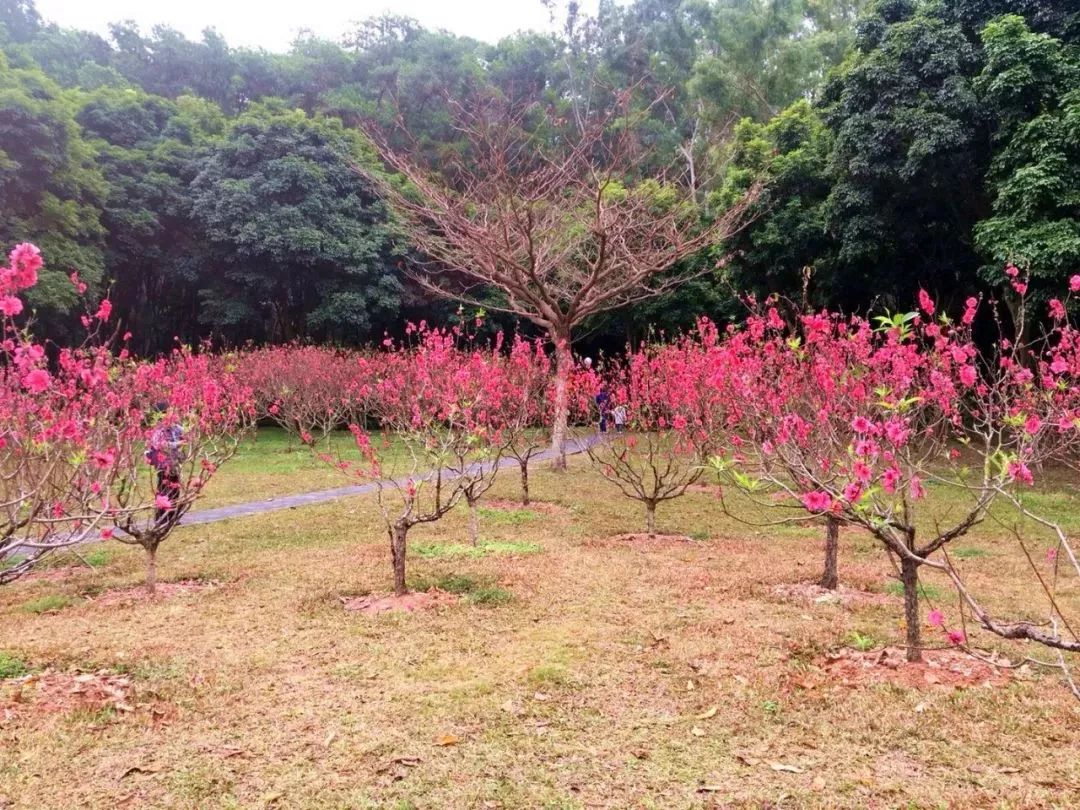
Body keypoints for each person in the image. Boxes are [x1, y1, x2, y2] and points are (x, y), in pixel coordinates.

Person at [145, 402, 184, 524]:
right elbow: (159, 444)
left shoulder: (174, 427)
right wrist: (177, 444)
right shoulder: (159, 429)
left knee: (175, 490)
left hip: (173, 462)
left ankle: (172, 517)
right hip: (163, 463)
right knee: (164, 490)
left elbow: (184, 433)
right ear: (162, 414)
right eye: (170, 410)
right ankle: (161, 518)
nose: (173, 413)